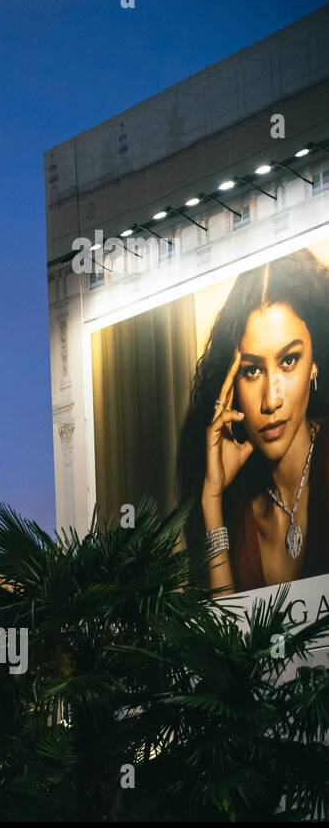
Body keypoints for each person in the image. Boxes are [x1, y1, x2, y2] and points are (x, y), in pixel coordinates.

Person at [179, 254, 329, 594]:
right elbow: (227, 643)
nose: (271, 400)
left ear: (315, 363)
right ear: (231, 387)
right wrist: (212, 499)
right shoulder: (240, 510)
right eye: (252, 370)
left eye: (289, 361)